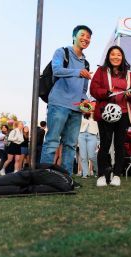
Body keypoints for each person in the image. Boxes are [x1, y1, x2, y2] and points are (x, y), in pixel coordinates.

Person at [40, 25, 92, 175]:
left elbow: (83, 90)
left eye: (88, 37)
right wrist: (78, 72)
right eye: (82, 35)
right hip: (58, 104)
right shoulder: (62, 52)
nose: (85, 39)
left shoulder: (86, 63)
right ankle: (45, 177)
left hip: (76, 109)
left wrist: (86, 101)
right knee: (52, 141)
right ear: (74, 36)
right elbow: (56, 70)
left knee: (70, 145)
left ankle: (66, 178)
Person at [90, 45, 131, 187]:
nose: (115, 57)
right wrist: (106, 92)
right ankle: (101, 176)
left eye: (118, 54)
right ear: (108, 56)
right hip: (106, 113)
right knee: (104, 145)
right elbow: (93, 89)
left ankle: (117, 175)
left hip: (123, 114)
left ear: (122, 57)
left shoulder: (130, 75)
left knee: (119, 145)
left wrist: (130, 95)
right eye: (113, 54)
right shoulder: (101, 71)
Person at [78, 110, 99, 178]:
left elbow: (99, 128)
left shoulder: (96, 115)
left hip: (92, 135)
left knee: (92, 156)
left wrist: (98, 142)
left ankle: (98, 171)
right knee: (83, 156)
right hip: (81, 135)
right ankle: (85, 174)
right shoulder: (81, 115)